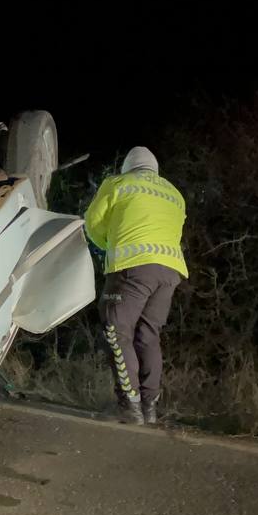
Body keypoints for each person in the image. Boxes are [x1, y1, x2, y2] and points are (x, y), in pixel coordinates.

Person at [83, 147, 189, 425]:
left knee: (115, 330)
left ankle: (129, 405)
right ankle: (149, 407)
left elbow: (92, 222)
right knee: (147, 335)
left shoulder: (118, 184)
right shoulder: (174, 194)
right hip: (170, 271)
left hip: (133, 267)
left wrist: (108, 244)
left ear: (127, 168)